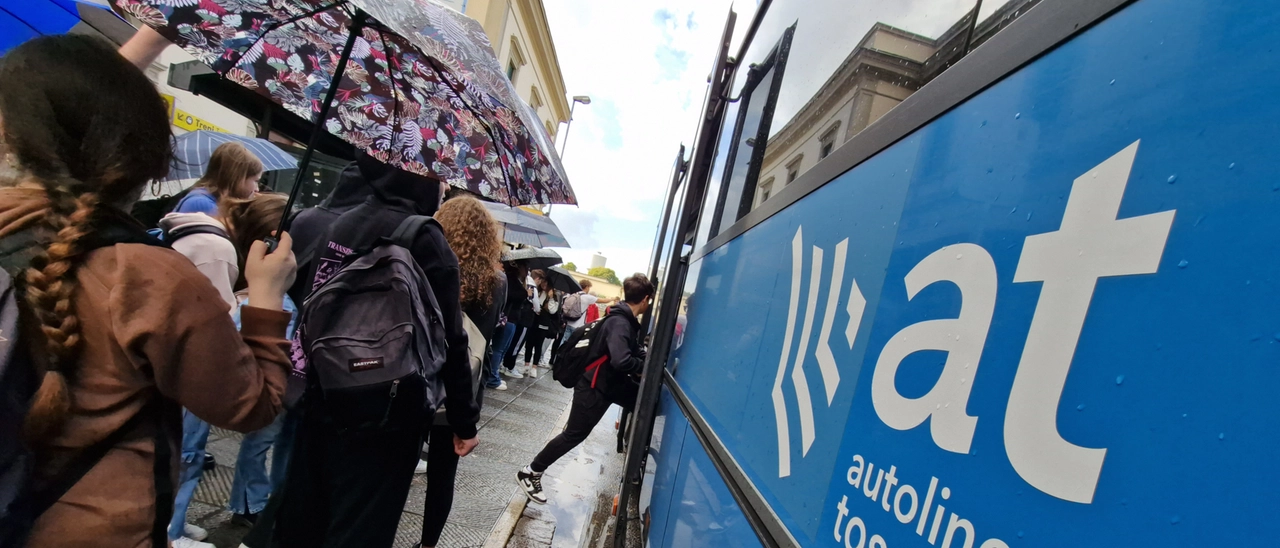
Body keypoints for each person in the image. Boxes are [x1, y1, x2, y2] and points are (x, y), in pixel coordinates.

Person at [0, 35, 296, 547]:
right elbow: (250, 405)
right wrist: (268, 297)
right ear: (145, 149)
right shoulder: (149, 277)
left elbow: (68, 104)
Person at [274, 154, 480, 548]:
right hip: (386, 409)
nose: (442, 186)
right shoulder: (426, 238)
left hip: (322, 394)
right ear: (417, 179)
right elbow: (452, 338)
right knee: (362, 525)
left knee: (305, 517)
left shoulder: (340, 221)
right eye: (437, 176)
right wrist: (463, 420)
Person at [517, 274, 655, 504]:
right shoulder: (620, 322)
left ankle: (641, 460)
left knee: (646, 403)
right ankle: (530, 472)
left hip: (609, 384)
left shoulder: (623, 318)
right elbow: (621, 360)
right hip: (594, 387)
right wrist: (644, 368)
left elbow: (632, 350)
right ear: (646, 299)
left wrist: (649, 360)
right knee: (574, 434)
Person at [414, 195, 503, 548]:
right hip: (460, 391)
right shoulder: (496, 282)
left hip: (416, 378)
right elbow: (485, 336)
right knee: (442, 475)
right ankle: (428, 544)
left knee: (394, 465)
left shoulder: (425, 262)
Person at [156, 189, 243, 547]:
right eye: (253, 179)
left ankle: (172, 520)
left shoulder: (179, 235)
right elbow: (221, 316)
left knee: (177, 445)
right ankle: (171, 531)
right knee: (188, 449)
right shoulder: (217, 248)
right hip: (193, 362)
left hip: (168, 358)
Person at [220, 193, 299, 527]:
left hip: (281, 375)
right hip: (272, 377)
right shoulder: (263, 292)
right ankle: (250, 503)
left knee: (268, 441)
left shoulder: (264, 287)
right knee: (262, 441)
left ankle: (255, 501)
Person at [171, 142, 263, 216]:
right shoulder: (204, 205)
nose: (257, 189)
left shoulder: (204, 198)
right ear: (237, 178)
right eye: (256, 181)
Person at [486, 261, 528, 391]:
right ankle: (492, 378)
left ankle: (493, 375)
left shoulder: (508, 279)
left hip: (508, 318)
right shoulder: (511, 281)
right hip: (508, 318)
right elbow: (516, 296)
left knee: (500, 349)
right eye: (526, 267)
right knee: (499, 349)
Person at [521, 270, 557, 378]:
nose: (544, 284)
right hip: (533, 320)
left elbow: (553, 310)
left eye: (546, 282)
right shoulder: (537, 291)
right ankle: (526, 365)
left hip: (543, 323)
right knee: (529, 344)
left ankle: (534, 367)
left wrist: (550, 298)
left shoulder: (553, 296)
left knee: (538, 345)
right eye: (542, 282)